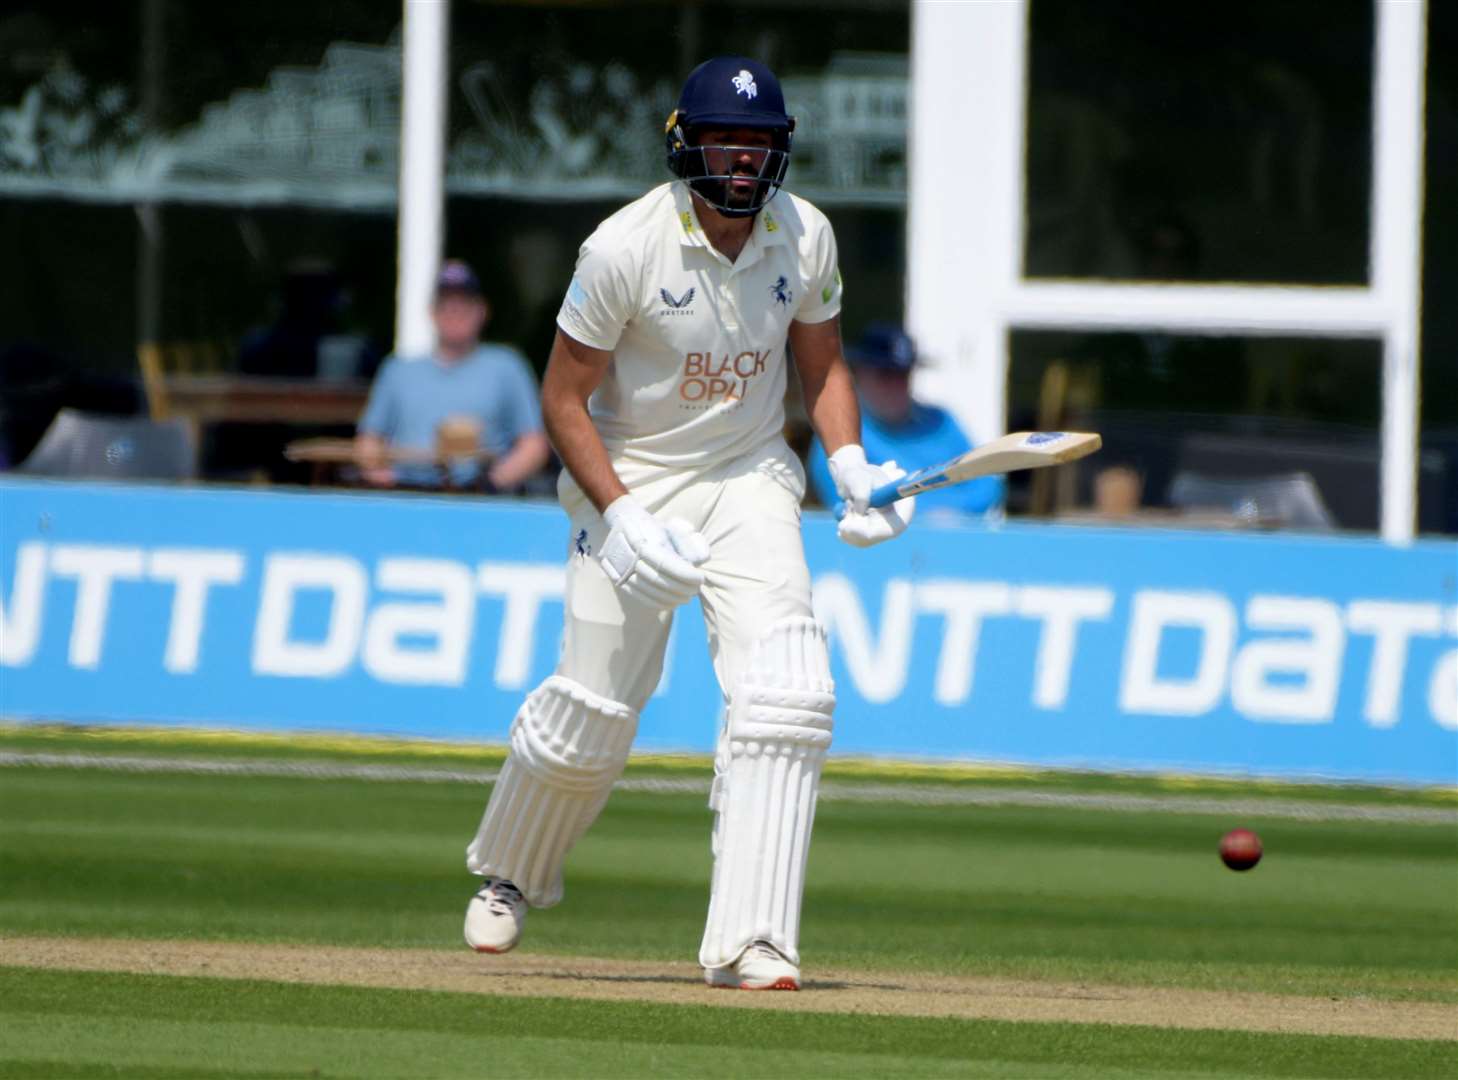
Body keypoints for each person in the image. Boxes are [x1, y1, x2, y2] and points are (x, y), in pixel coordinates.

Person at [459, 57, 914, 991]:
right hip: (631, 478)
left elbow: (822, 367)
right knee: (594, 713)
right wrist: (619, 518)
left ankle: (756, 940)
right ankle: (511, 871)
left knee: (787, 691)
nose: (744, 160)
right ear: (686, 143)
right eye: (726, 140)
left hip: (747, 476)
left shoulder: (805, 236)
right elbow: (562, 399)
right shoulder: (622, 248)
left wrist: (849, 465)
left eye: (760, 143)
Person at [354, 261, 551, 491]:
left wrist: (490, 484)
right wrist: (378, 474)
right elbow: (369, 439)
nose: (455, 311)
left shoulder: (507, 366)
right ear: (432, 312)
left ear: (482, 311)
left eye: (465, 304)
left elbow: (534, 445)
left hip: (482, 498)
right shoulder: (397, 369)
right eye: (446, 304)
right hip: (407, 493)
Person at [807, 323, 1003, 518]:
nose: (895, 387)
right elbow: (847, 503)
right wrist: (927, 516)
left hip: (954, 539)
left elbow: (987, 483)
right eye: (884, 375)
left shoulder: (940, 422)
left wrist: (953, 514)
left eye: (903, 375)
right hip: (879, 545)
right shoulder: (841, 433)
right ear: (859, 374)